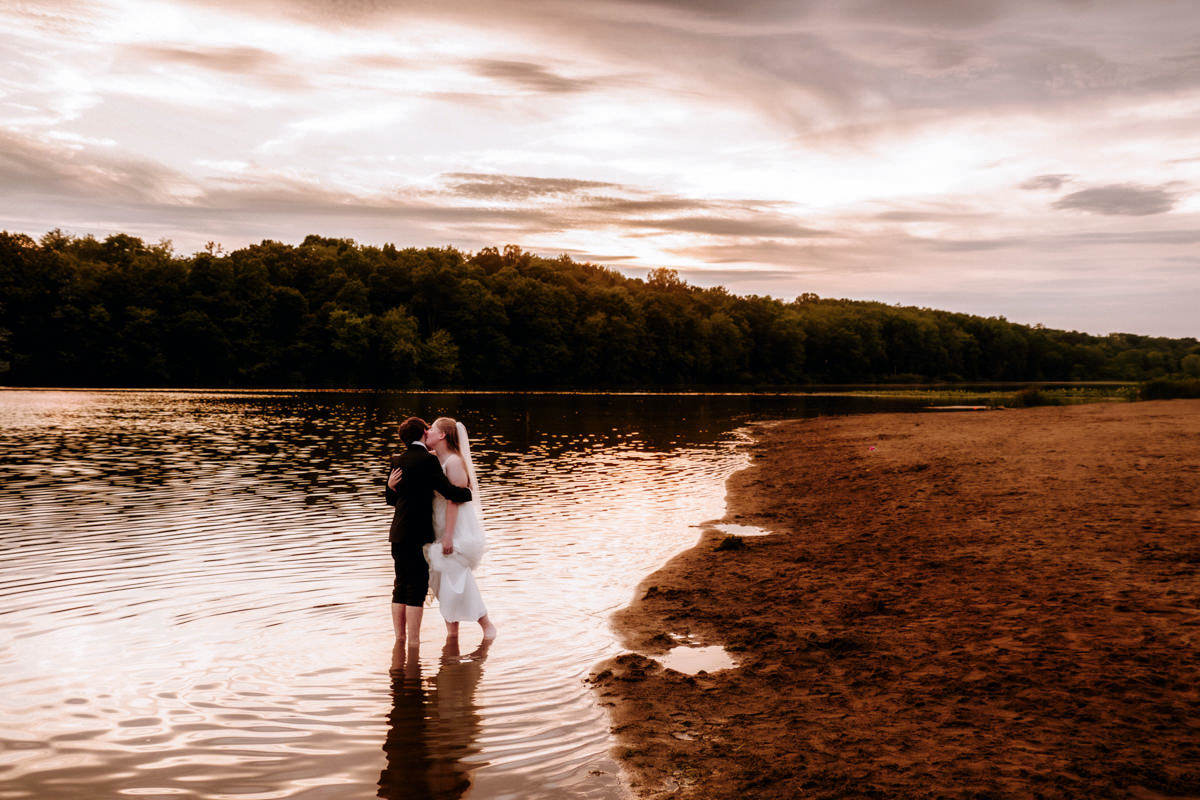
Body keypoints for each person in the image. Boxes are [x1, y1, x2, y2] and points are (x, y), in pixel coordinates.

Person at [385, 417, 472, 643]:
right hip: (417, 534)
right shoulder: (427, 461)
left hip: (397, 533)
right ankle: (413, 643)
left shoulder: (397, 460)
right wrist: (468, 493)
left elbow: (392, 500)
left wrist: (390, 487)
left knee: (400, 586)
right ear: (424, 432)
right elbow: (448, 491)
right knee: (416, 587)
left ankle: (399, 640)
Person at [424, 417, 497, 641]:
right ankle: (452, 635)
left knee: (456, 576)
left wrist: (448, 536)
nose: (427, 432)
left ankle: (486, 625)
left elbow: (454, 500)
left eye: (432, 429)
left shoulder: (454, 462)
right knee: (443, 581)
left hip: (455, 527)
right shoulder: (435, 459)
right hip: (439, 523)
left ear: (443, 435)